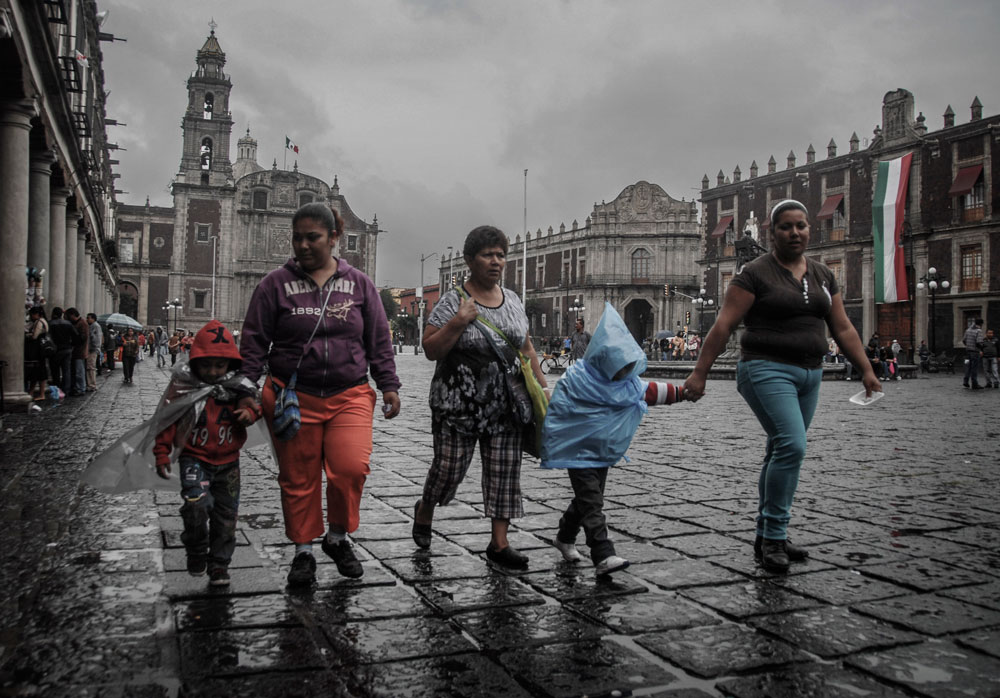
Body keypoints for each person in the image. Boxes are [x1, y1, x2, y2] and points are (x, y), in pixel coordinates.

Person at [684, 200, 881, 573]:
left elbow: (842, 326)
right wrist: (699, 373)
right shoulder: (754, 274)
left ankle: (767, 533)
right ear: (772, 233)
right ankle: (774, 537)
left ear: (809, 230)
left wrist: (866, 369)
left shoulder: (823, 275)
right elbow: (723, 325)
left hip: (810, 373)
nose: (795, 233)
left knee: (780, 450)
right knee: (792, 446)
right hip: (765, 368)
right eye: (786, 226)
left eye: (801, 226)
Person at [240, 202, 401, 587]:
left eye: (312, 237)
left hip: (350, 394)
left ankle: (337, 537)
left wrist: (389, 384)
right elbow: (254, 341)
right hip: (292, 397)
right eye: (297, 238)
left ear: (333, 237)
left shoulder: (359, 284)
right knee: (298, 477)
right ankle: (303, 551)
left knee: (350, 468)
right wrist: (246, 388)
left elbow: (378, 338)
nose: (303, 245)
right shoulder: (274, 285)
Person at [412, 225, 545, 569]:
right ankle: (426, 507)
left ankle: (499, 543)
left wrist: (544, 389)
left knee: (504, 471)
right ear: (470, 260)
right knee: (448, 470)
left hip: (506, 405)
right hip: (458, 405)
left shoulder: (512, 300)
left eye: (501, 255)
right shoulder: (453, 301)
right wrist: (458, 322)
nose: (496, 261)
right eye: (488, 255)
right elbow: (430, 349)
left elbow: (526, 348)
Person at [544, 303, 688, 576]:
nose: (624, 373)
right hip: (578, 450)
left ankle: (564, 537)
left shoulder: (624, 383)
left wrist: (682, 393)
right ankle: (602, 553)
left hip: (602, 449)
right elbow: (559, 408)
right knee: (592, 500)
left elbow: (648, 391)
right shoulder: (578, 378)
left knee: (588, 498)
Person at [154, 320, 261, 587]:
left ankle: (219, 564)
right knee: (196, 506)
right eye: (206, 365)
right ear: (195, 363)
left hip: (229, 463)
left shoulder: (237, 387)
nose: (213, 372)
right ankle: (196, 548)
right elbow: (168, 419)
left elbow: (254, 404)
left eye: (219, 365)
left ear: (230, 365)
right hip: (194, 458)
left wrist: (249, 413)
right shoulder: (184, 387)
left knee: (226, 516)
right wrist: (162, 452)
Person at [47, 307, 75, 395]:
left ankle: (57, 389)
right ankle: (66, 390)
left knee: (55, 371)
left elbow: (47, 337)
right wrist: (71, 344)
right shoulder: (68, 324)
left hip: (55, 350)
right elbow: (75, 335)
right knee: (66, 370)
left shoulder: (50, 323)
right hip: (67, 349)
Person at [24, 306, 49, 400]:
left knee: (39, 372)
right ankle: (31, 392)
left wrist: (28, 335)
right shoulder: (43, 321)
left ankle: (41, 394)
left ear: (36, 314)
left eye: (31, 314)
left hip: (38, 351)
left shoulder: (39, 322)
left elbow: (34, 336)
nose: (31, 316)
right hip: (40, 351)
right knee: (36, 372)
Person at [65, 308, 89, 396]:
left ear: (72, 315)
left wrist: (73, 340)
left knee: (79, 371)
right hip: (75, 351)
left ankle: (81, 388)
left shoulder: (82, 323)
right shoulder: (77, 323)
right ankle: (77, 387)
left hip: (80, 351)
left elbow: (83, 338)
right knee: (76, 371)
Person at [963, 318, 984, 390]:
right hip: (975, 352)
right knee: (974, 368)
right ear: (981, 324)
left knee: (967, 366)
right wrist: (981, 349)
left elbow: (964, 340)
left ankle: (965, 381)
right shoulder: (979, 331)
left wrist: (968, 346)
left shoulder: (968, 330)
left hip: (967, 352)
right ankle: (974, 384)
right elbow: (978, 342)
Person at [86, 314, 103, 391]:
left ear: (93, 319)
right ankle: (90, 384)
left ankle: (92, 385)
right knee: (90, 367)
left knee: (91, 367)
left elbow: (96, 339)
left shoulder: (95, 326)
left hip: (92, 350)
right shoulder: (93, 326)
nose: (87, 319)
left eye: (88, 318)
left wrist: (93, 348)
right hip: (92, 349)